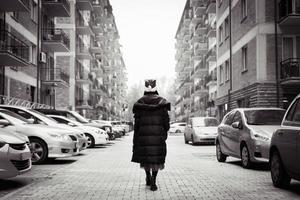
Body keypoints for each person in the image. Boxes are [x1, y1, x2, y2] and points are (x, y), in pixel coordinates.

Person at [131, 79, 170, 191]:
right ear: (155, 89)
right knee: (156, 158)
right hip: (158, 137)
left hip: (143, 137)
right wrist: (164, 133)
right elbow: (166, 123)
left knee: (146, 158)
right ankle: (154, 180)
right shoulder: (162, 103)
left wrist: (137, 137)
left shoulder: (139, 104)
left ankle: (148, 176)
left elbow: (137, 124)